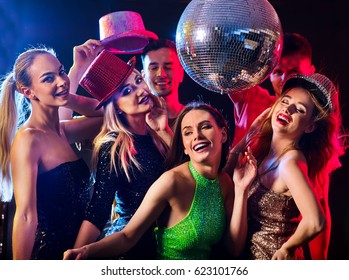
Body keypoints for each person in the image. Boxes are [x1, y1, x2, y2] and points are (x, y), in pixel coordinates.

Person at [63, 101, 257, 260]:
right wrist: (87, 251)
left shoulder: (226, 182)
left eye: (205, 127)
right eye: (188, 132)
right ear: (185, 148)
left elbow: (234, 248)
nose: (197, 135)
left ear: (222, 134)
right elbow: (127, 236)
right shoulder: (172, 181)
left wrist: (241, 190)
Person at [0, 40, 104, 259]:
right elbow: (26, 217)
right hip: (53, 256)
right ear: (28, 92)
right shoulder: (29, 139)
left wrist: (68, 88)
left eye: (61, 72)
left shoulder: (64, 131)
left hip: (82, 252)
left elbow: (106, 116)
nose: (61, 81)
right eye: (48, 78)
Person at [72, 49, 172, 259]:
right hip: (134, 247)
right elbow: (98, 209)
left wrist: (164, 131)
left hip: (169, 240)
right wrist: (74, 259)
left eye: (138, 80)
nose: (140, 90)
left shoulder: (157, 131)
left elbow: (189, 178)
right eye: (127, 91)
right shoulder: (114, 145)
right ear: (116, 108)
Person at [240, 73, 346, 259]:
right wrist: (247, 137)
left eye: (300, 109)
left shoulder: (291, 163)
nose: (288, 109)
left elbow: (316, 221)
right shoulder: (264, 150)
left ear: (310, 127)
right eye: (285, 101)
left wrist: (287, 248)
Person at [141, 38, 185, 127]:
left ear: (181, 73)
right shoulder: (136, 124)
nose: (161, 74)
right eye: (154, 68)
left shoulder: (195, 117)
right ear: (143, 76)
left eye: (168, 67)